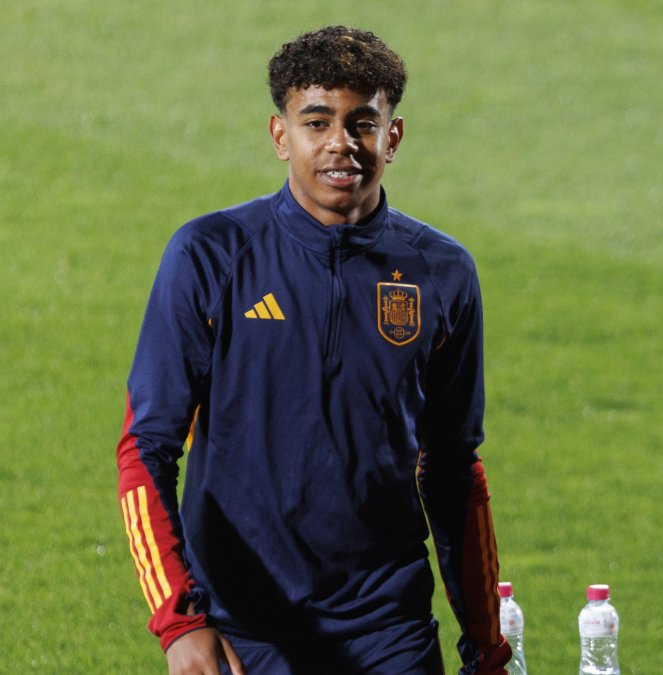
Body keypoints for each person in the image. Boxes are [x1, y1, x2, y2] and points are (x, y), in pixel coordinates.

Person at [116, 26, 511, 674]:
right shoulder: (210, 257)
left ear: (394, 135)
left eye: (362, 123)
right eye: (317, 121)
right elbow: (145, 449)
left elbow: (455, 471)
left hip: (390, 629)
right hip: (244, 631)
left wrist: (488, 646)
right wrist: (179, 621)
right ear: (281, 136)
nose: (340, 144)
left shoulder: (442, 273)